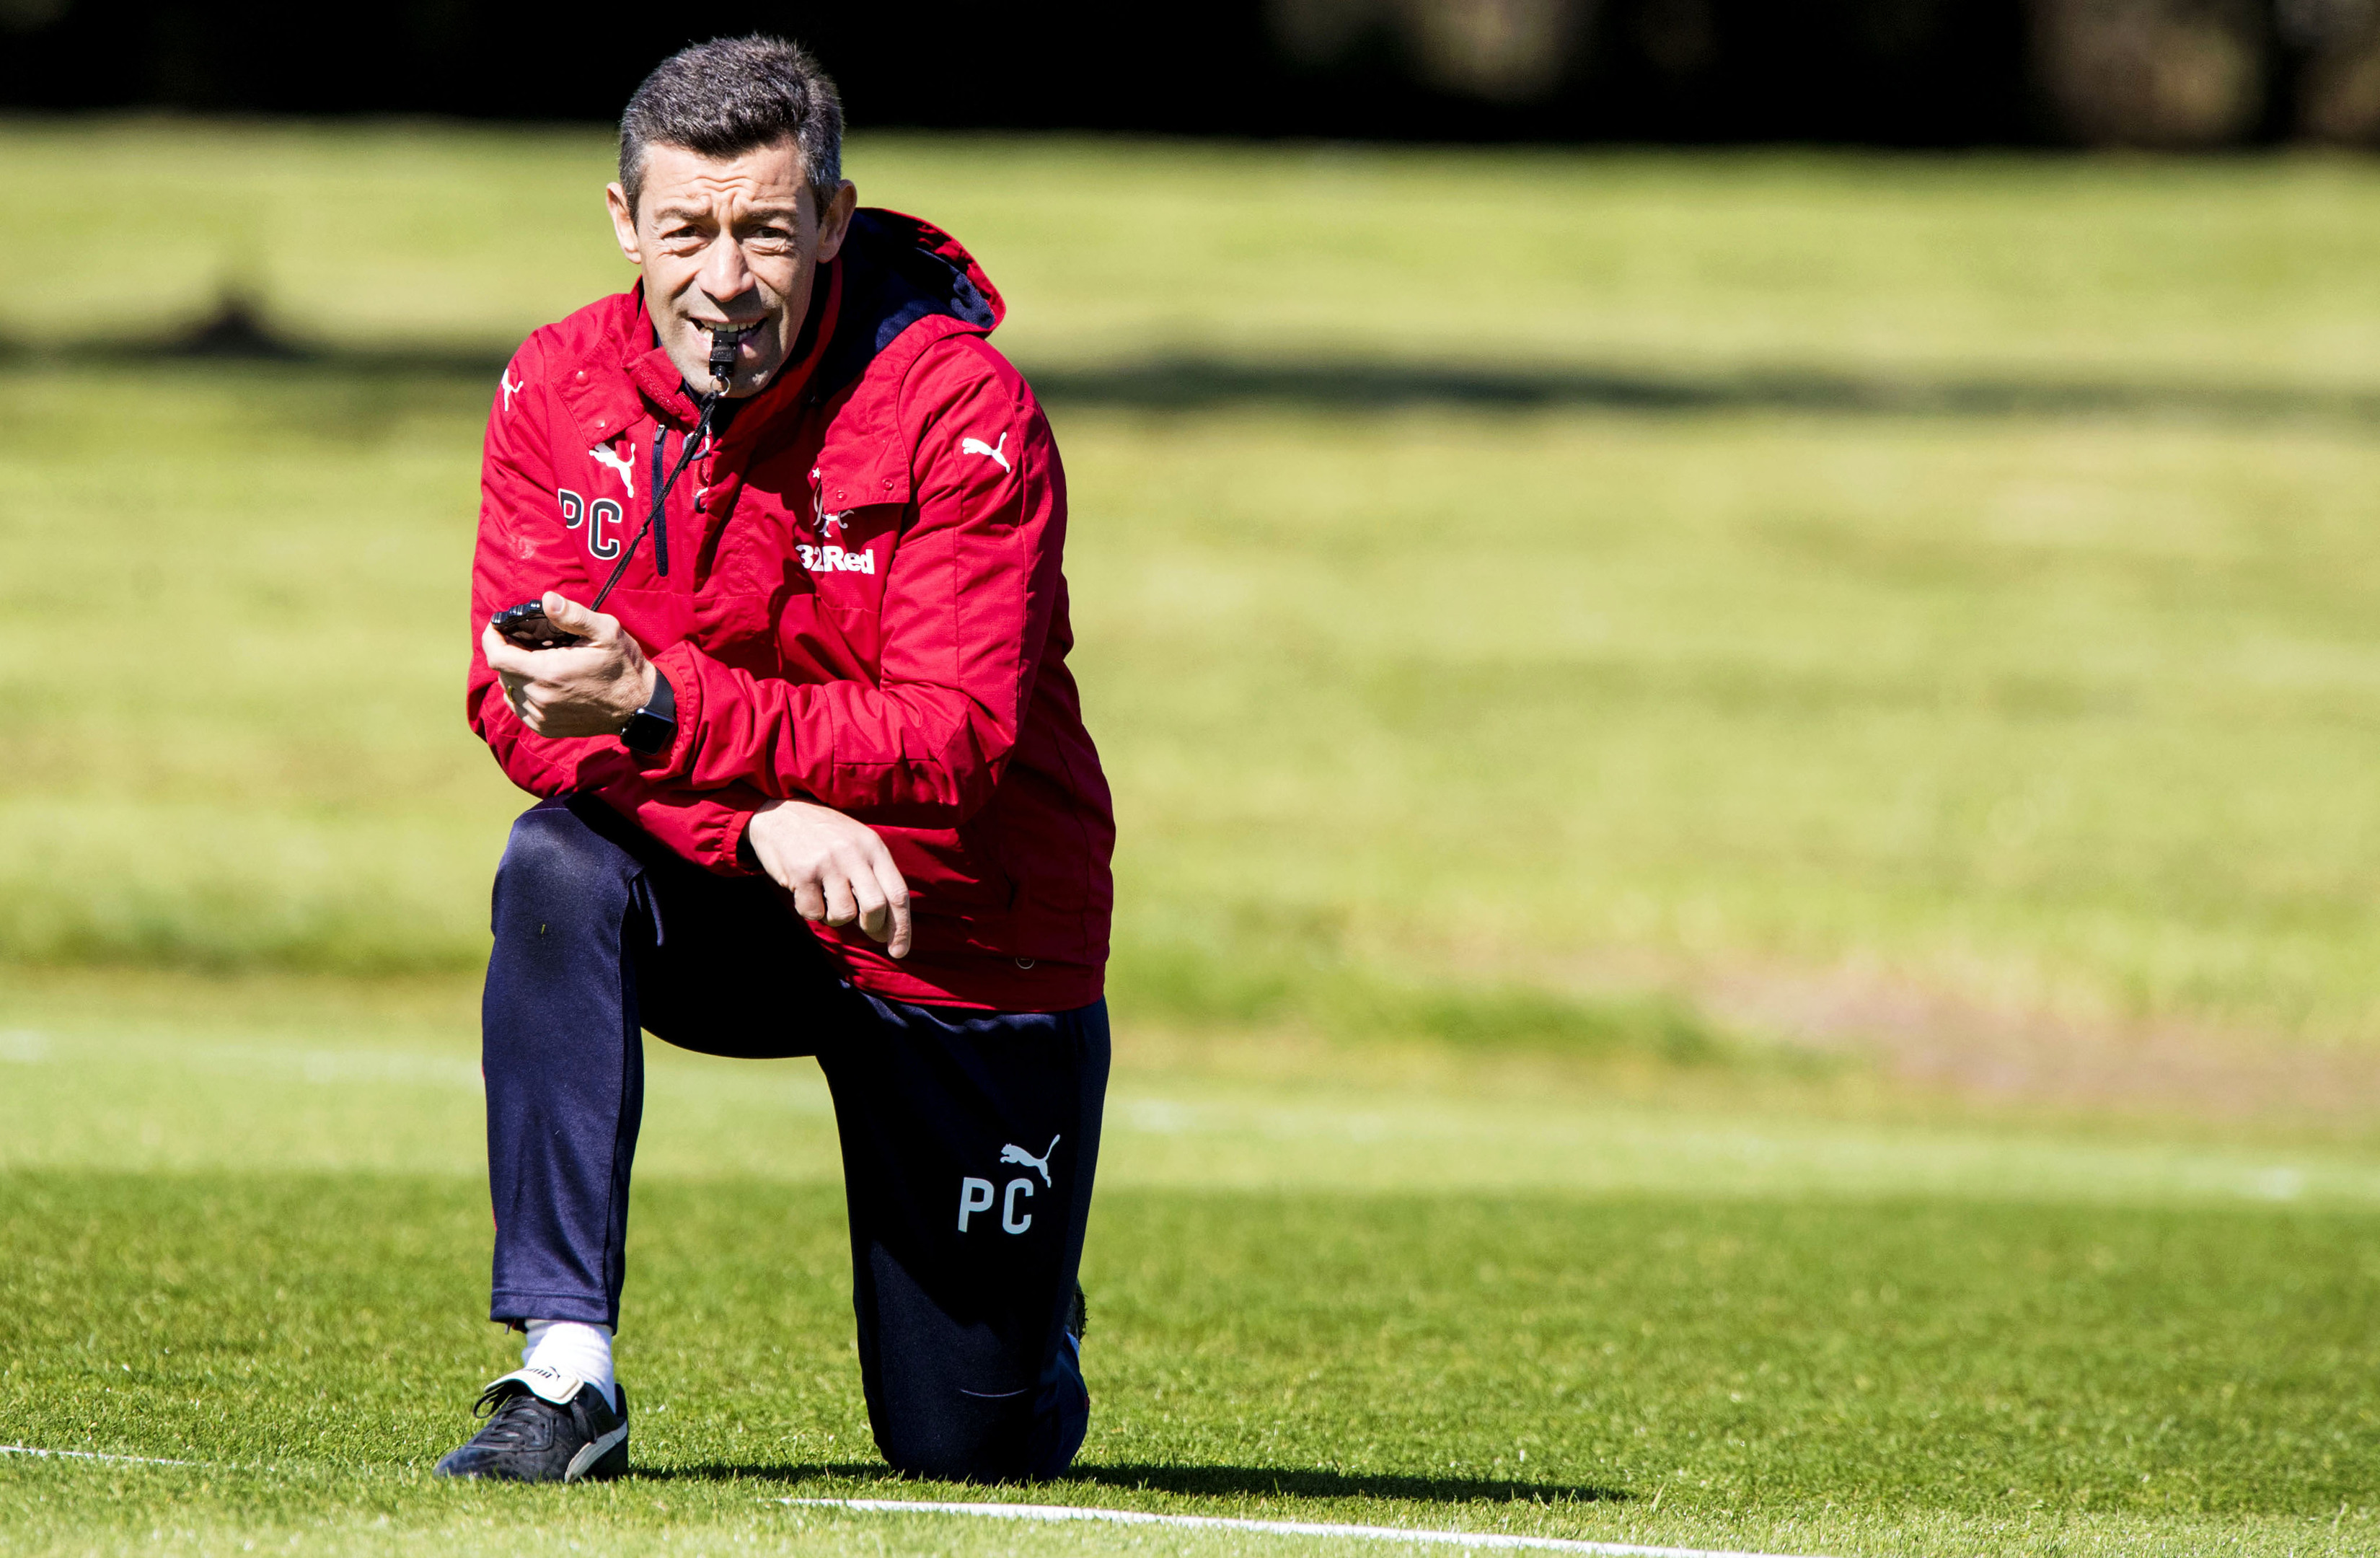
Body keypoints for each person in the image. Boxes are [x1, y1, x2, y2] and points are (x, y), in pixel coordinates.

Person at [433, 34, 1114, 1485]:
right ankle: (565, 1374)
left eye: (764, 230)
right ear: (625, 222)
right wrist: (750, 828)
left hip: (959, 922)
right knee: (557, 868)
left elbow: (957, 738)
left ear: (833, 222)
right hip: (731, 893)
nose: (723, 278)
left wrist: (669, 709)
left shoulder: (960, 408)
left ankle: (1026, 1327)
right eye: (685, 231)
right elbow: (515, 711)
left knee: (971, 1450)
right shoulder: (556, 390)